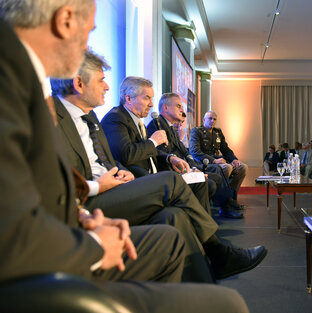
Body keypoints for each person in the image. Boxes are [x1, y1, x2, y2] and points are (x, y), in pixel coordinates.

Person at [0, 1, 250, 312]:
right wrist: (91, 238)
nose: (86, 47)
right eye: (88, 32)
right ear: (65, 20)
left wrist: (84, 216)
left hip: (80, 218)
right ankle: (217, 255)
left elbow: (45, 186)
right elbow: (16, 229)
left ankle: (211, 270)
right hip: (44, 270)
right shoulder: (17, 87)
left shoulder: (35, 89)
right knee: (228, 305)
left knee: (171, 224)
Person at [51, 52, 266, 282]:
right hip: (88, 202)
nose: (106, 87)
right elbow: (54, 183)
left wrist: (119, 168)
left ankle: (204, 285)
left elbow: (110, 159)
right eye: (101, 80)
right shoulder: (51, 118)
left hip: (115, 187)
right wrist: (96, 185)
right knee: (171, 182)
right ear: (79, 83)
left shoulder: (90, 117)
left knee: (174, 216)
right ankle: (219, 251)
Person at [125, 90, 244, 218]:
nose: (182, 110)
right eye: (178, 106)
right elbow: (160, 154)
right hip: (172, 171)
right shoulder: (157, 124)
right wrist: (190, 168)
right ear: (165, 107)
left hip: (184, 167)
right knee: (212, 178)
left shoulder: (169, 126)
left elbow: (184, 152)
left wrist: (193, 167)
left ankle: (224, 206)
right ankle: (216, 212)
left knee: (216, 174)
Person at [190, 111, 248, 200]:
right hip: (205, 163)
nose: (212, 121)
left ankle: (232, 196)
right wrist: (214, 160)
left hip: (218, 160)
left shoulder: (217, 132)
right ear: (204, 119)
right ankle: (220, 199)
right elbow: (195, 152)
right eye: (210, 118)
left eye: (214, 119)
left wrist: (234, 159)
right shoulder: (197, 131)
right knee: (227, 167)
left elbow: (225, 149)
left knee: (242, 167)